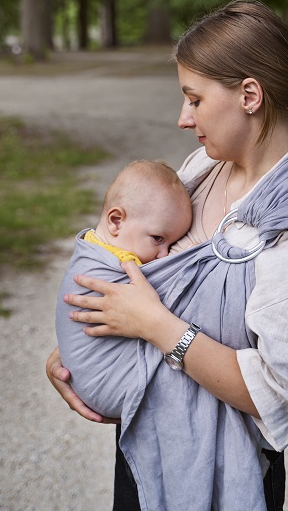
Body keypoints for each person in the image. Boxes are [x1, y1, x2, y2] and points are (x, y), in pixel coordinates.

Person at [46, 0, 288, 511]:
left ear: (250, 96)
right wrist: (83, 344)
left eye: (194, 99)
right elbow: (141, 277)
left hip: (226, 471)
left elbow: (280, 392)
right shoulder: (202, 170)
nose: (182, 118)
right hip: (150, 446)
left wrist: (154, 326)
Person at [55, 159, 193, 418]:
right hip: (113, 386)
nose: (164, 255)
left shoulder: (95, 245)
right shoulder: (118, 266)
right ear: (116, 221)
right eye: (158, 239)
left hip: (87, 380)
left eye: (173, 243)